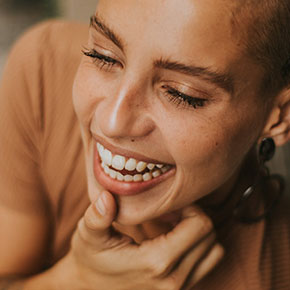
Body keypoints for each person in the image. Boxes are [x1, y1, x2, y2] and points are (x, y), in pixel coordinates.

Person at [0, 0, 290, 289]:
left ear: (281, 118)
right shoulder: (44, 68)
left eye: (182, 94)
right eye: (103, 57)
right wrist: (78, 280)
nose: (112, 122)